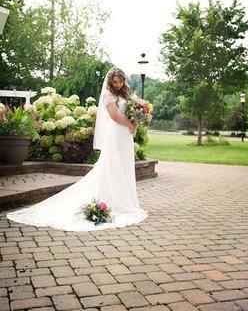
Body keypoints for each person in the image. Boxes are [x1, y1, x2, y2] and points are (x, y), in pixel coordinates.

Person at [6, 67, 149, 231]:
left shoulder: (124, 94)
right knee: (113, 166)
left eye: (120, 81)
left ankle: (127, 201)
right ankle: (115, 201)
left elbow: (129, 111)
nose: (117, 84)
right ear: (110, 82)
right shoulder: (108, 95)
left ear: (124, 81)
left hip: (125, 134)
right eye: (114, 82)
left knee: (124, 166)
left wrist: (137, 118)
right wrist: (130, 124)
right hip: (116, 132)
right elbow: (115, 116)